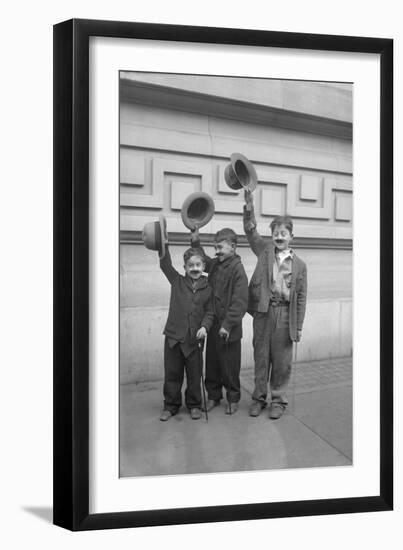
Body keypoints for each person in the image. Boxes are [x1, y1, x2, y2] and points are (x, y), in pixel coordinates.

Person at [243, 190, 307, 419]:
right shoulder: (264, 251)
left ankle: (278, 400)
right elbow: (250, 232)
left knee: (281, 361)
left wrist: (298, 325)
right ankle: (259, 398)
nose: (279, 236)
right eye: (275, 233)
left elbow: (301, 297)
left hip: (284, 315)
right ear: (271, 236)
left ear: (291, 236)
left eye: (283, 233)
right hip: (263, 312)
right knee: (261, 357)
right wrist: (249, 205)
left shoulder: (300, 265)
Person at [191, 227, 248, 415]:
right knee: (213, 364)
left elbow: (240, 303)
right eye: (215, 247)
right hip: (213, 325)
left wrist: (227, 325)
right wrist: (195, 241)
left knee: (230, 366)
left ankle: (233, 398)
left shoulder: (238, 270)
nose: (216, 251)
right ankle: (214, 396)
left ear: (232, 247)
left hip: (228, 330)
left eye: (220, 247)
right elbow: (203, 259)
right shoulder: (215, 264)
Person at [158, 245, 214, 421]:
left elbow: (210, 312)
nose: (195, 269)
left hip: (194, 340)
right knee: (172, 373)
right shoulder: (177, 281)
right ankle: (171, 405)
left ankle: (194, 405)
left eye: (198, 265)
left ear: (204, 266)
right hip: (174, 338)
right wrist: (163, 244)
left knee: (194, 374)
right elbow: (165, 265)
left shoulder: (208, 288)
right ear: (185, 268)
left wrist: (205, 327)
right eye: (191, 265)